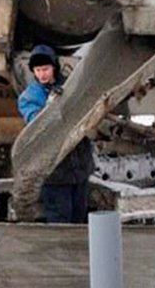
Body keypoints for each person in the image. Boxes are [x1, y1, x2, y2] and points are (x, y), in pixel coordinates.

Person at [17, 44, 96, 224]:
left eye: (45, 69)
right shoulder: (30, 97)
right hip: (54, 172)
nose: (42, 74)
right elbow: (35, 123)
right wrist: (51, 106)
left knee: (79, 219)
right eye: (38, 70)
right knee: (60, 221)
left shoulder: (70, 85)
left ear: (54, 67)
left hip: (79, 169)